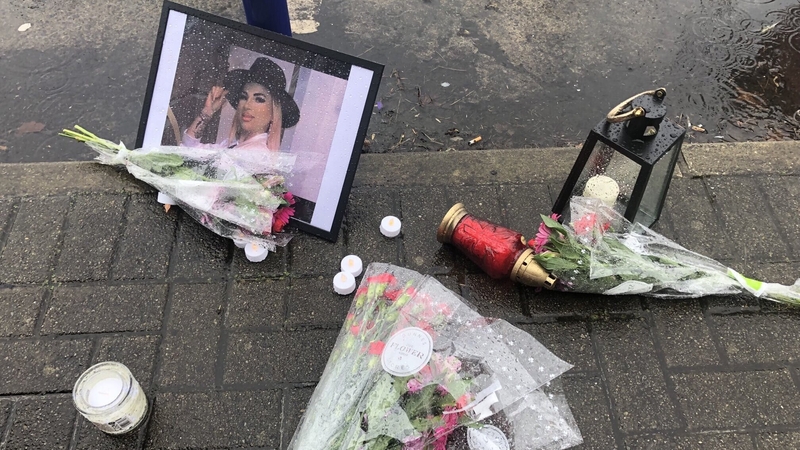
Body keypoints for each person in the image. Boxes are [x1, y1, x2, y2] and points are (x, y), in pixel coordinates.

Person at [183, 57, 300, 151]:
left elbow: (189, 152)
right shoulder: (236, 146)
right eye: (244, 97)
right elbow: (189, 149)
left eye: (259, 99)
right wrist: (208, 111)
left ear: (274, 112)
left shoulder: (256, 153)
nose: (247, 105)